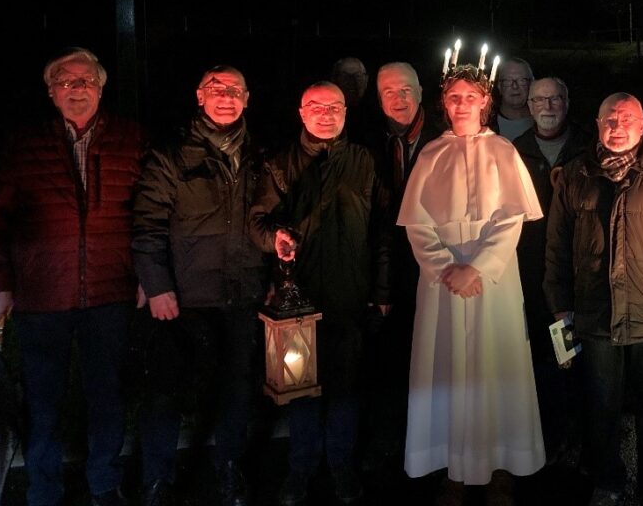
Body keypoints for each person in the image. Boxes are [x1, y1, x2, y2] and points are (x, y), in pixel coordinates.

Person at [0, 48, 143, 506]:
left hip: (110, 290)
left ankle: (104, 482)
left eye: (86, 81)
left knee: (107, 396)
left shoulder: (131, 140)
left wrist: (147, 276)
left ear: (101, 87)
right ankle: (44, 488)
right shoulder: (23, 145)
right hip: (43, 294)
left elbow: (149, 215)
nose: (77, 89)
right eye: (66, 81)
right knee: (43, 400)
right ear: (51, 91)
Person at [545, 93, 643, 506]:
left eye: (626, 119)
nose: (617, 127)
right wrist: (560, 305)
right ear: (597, 125)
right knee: (600, 407)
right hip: (594, 316)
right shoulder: (576, 175)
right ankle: (607, 480)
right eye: (609, 119)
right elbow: (557, 248)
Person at [398, 64, 544, 506]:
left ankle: (500, 466)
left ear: (485, 102)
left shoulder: (503, 150)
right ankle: (453, 469)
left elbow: (511, 217)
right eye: (453, 97)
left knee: (497, 366)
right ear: (444, 103)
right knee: (446, 369)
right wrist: (447, 267)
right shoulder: (429, 155)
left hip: (492, 281)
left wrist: (477, 267)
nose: (462, 104)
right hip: (442, 283)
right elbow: (417, 223)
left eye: (470, 96)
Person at [250, 81, 390, 506]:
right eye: (316, 106)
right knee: (301, 389)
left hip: (351, 295)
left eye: (334, 107)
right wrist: (275, 236)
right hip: (298, 301)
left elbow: (383, 229)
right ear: (300, 111)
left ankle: (342, 468)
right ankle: (301, 468)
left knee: (346, 390)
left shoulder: (365, 161)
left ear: (346, 112)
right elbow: (257, 220)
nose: (326, 114)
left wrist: (381, 289)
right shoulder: (280, 163)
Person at [133, 66, 265, 506]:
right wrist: (157, 285)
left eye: (234, 91)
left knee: (236, 392)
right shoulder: (171, 154)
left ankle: (229, 469)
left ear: (247, 99)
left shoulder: (258, 155)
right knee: (165, 393)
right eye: (216, 89)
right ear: (198, 95)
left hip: (240, 294)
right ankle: (156, 479)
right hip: (182, 298)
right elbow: (147, 225)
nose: (225, 97)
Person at [361, 62, 442, 469]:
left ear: (421, 92)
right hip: (387, 268)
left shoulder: (444, 139)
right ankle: (392, 444)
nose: (399, 99)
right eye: (389, 92)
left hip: (434, 267)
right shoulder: (368, 142)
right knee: (389, 360)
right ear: (379, 99)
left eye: (406, 89)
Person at [511, 77, 592, 462]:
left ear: (567, 102)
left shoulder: (587, 148)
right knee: (539, 356)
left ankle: (575, 436)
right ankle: (543, 435)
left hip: (572, 272)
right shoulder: (514, 152)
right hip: (528, 273)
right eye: (539, 99)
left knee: (571, 354)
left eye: (555, 98)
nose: (548, 106)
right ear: (528, 105)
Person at [331, 56, 374, 144]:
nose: (352, 81)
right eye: (345, 76)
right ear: (334, 80)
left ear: (366, 80)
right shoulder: (326, 117)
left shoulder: (379, 116)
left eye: (357, 76)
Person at [492, 58, 535, 141]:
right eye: (507, 81)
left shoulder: (546, 122)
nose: (515, 86)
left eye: (522, 80)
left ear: (532, 84)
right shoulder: (485, 125)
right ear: (499, 86)